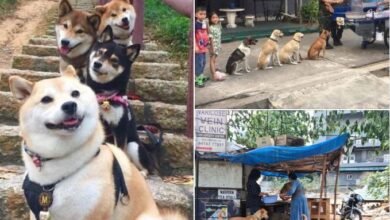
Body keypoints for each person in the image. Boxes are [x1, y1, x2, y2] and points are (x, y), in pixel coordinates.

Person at [208, 12, 226, 81]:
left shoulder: (218, 25)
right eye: (213, 18)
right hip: (213, 46)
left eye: (216, 17)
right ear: (210, 19)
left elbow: (219, 36)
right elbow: (210, 38)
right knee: (212, 60)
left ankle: (214, 70)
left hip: (217, 46)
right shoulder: (210, 28)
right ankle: (214, 75)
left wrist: (219, 46)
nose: (215, 19)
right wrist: (212, 48)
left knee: (214, 60)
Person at [195, 7, 209, 88]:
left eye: (204, 14)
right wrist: (195, 46)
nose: (203, 16)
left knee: (203, 62)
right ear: (196, 14)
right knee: (199, 63)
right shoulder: (195, 24)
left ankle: (201, 75)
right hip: (198, 47)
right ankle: (197, 79)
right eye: (201, 14)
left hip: (204, 46)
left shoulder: (204, 23)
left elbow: (207, 32)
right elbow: (193, 35)